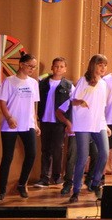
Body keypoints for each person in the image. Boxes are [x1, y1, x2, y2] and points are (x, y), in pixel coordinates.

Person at [0, 53, 41, 202]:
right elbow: (2, 102)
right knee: (7, 157)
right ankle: (2, 191)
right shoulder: (9, 81)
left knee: (31, 154)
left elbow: (33, 105)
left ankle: (22, 184)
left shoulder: (33, 83)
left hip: (28, 123)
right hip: (11, 124)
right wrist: (8, 118)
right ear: (21, 64)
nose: (32, 69)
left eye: (34, 67)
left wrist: (35, 123)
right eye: (30, 66)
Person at [64, 54, 110, 203]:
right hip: (83, 123)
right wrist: (80, 102)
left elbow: (102, 107)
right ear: (93, 65)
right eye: (100, 65)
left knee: (104, 153)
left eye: (105, 65)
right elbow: (73, 101)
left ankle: (96, 183)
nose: (103, 68)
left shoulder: (103, 84)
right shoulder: (84, 81)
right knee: (83, 157)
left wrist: (105, 124)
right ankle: (76, 190)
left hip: (99, 123)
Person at [34, 57, 73, 188]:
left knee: (57, 150)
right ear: (52, 67)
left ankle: (57, 176)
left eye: (61, 66)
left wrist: (68, 122)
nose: (58, 69)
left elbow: (72, 105)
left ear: (65, 69)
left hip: (59, 122)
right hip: (45, 120)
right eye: (56, 66)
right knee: (45, 150)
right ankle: (44, 178)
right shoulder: (42, 83)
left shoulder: (68, 85)